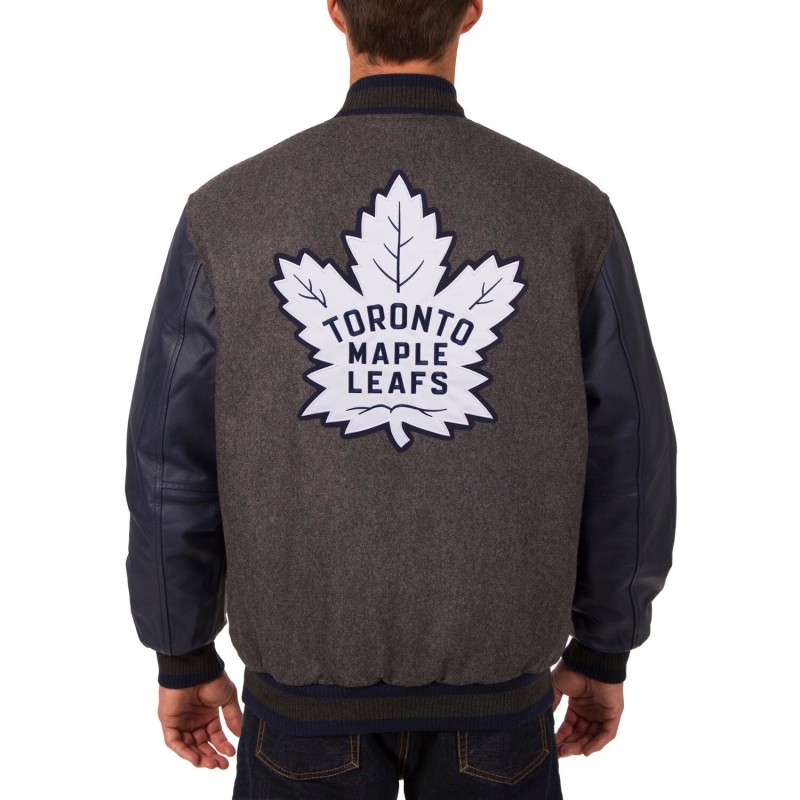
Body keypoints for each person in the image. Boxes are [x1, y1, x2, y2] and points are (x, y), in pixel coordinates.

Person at [125, 1, 677, 798]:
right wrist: (605, 645)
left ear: (336, 11)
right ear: (471, 12)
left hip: (302, 699)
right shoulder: (567, 212)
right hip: (499, 701)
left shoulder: (228, 212)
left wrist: (181, 651)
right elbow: (632, 454)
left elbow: (169, 462)